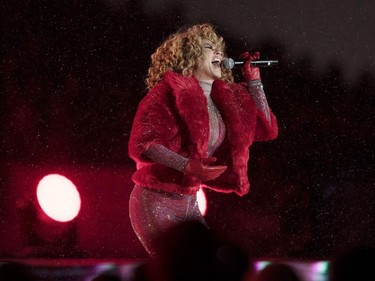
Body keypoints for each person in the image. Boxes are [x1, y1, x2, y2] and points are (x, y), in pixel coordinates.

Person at [128, 23, 278, 257]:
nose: (219, 53)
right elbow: (145, 143)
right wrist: (187, 165)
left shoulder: (228, 99)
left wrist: (254, 82)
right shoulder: (167, 92)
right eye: (210, 47)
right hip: (156, 199)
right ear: (191, 56)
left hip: (190, 200)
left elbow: (265, 127)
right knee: (178, 268)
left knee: (204, 265)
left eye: (220, 48)